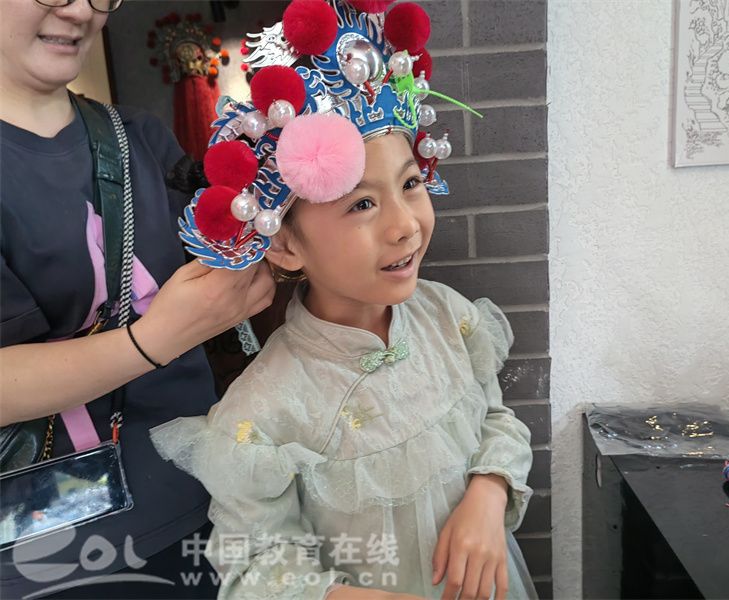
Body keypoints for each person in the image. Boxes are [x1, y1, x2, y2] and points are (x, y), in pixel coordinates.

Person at [150, 1, 539, 598]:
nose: (405, 225)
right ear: (284, 245)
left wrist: (488, 492)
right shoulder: (264, 409)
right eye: (361, 203)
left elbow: (494, 418)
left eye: (411, 183)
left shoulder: (448, 317)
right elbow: (255, 566)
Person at [0, 0, 274, 597]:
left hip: (209, 502)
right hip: (53, 553)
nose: (80, 10)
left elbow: (231, 256)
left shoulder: (139, 137)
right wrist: (158, 338)